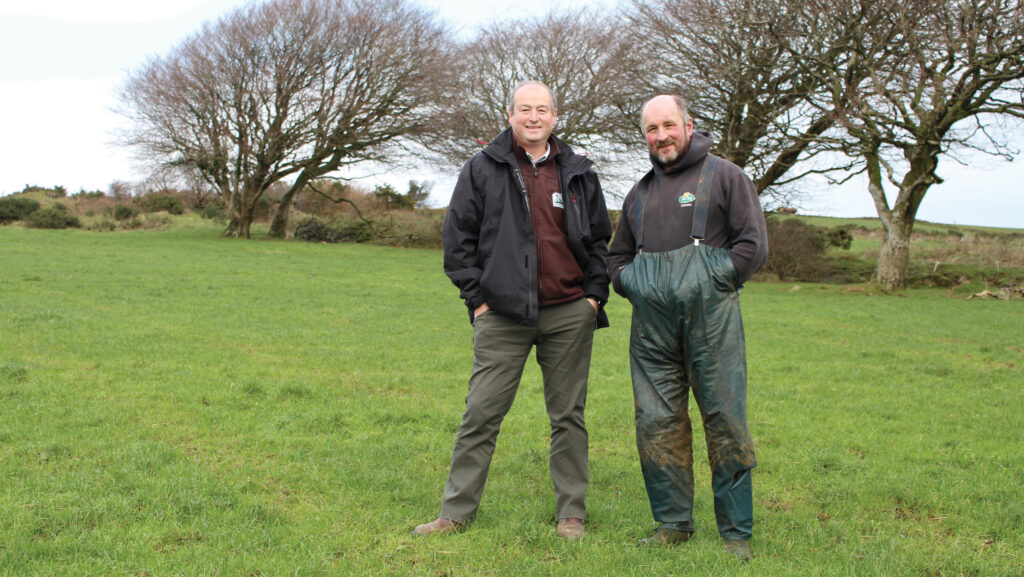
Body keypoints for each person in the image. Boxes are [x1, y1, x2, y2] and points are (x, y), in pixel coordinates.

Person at [415, 81, 612, 540]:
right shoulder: (482, 168)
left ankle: (571, 515)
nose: (533, 117)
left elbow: (601, 238)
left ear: (555, 116)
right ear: (510, 115)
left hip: (568, 311)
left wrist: (593, 296)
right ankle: (455, 513)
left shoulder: (579, 171)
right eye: (525, 109)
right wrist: (478, 300)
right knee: (481, 413)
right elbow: (457, 242)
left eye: (542, 110)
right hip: (502, 314)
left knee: (568, 417)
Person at [607, 95, 768, 561]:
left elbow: (752, 245)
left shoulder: (726, 176)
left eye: (669, 125)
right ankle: (673, 523)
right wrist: (630, 282)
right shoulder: (638, 193)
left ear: (689, 125)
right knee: (656, 421)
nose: (661, 136)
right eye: (652, 129)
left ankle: (736, 531)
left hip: (711, 320)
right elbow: (617, 255)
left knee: (724, 417)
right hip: (651, 327)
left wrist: (714, 279)